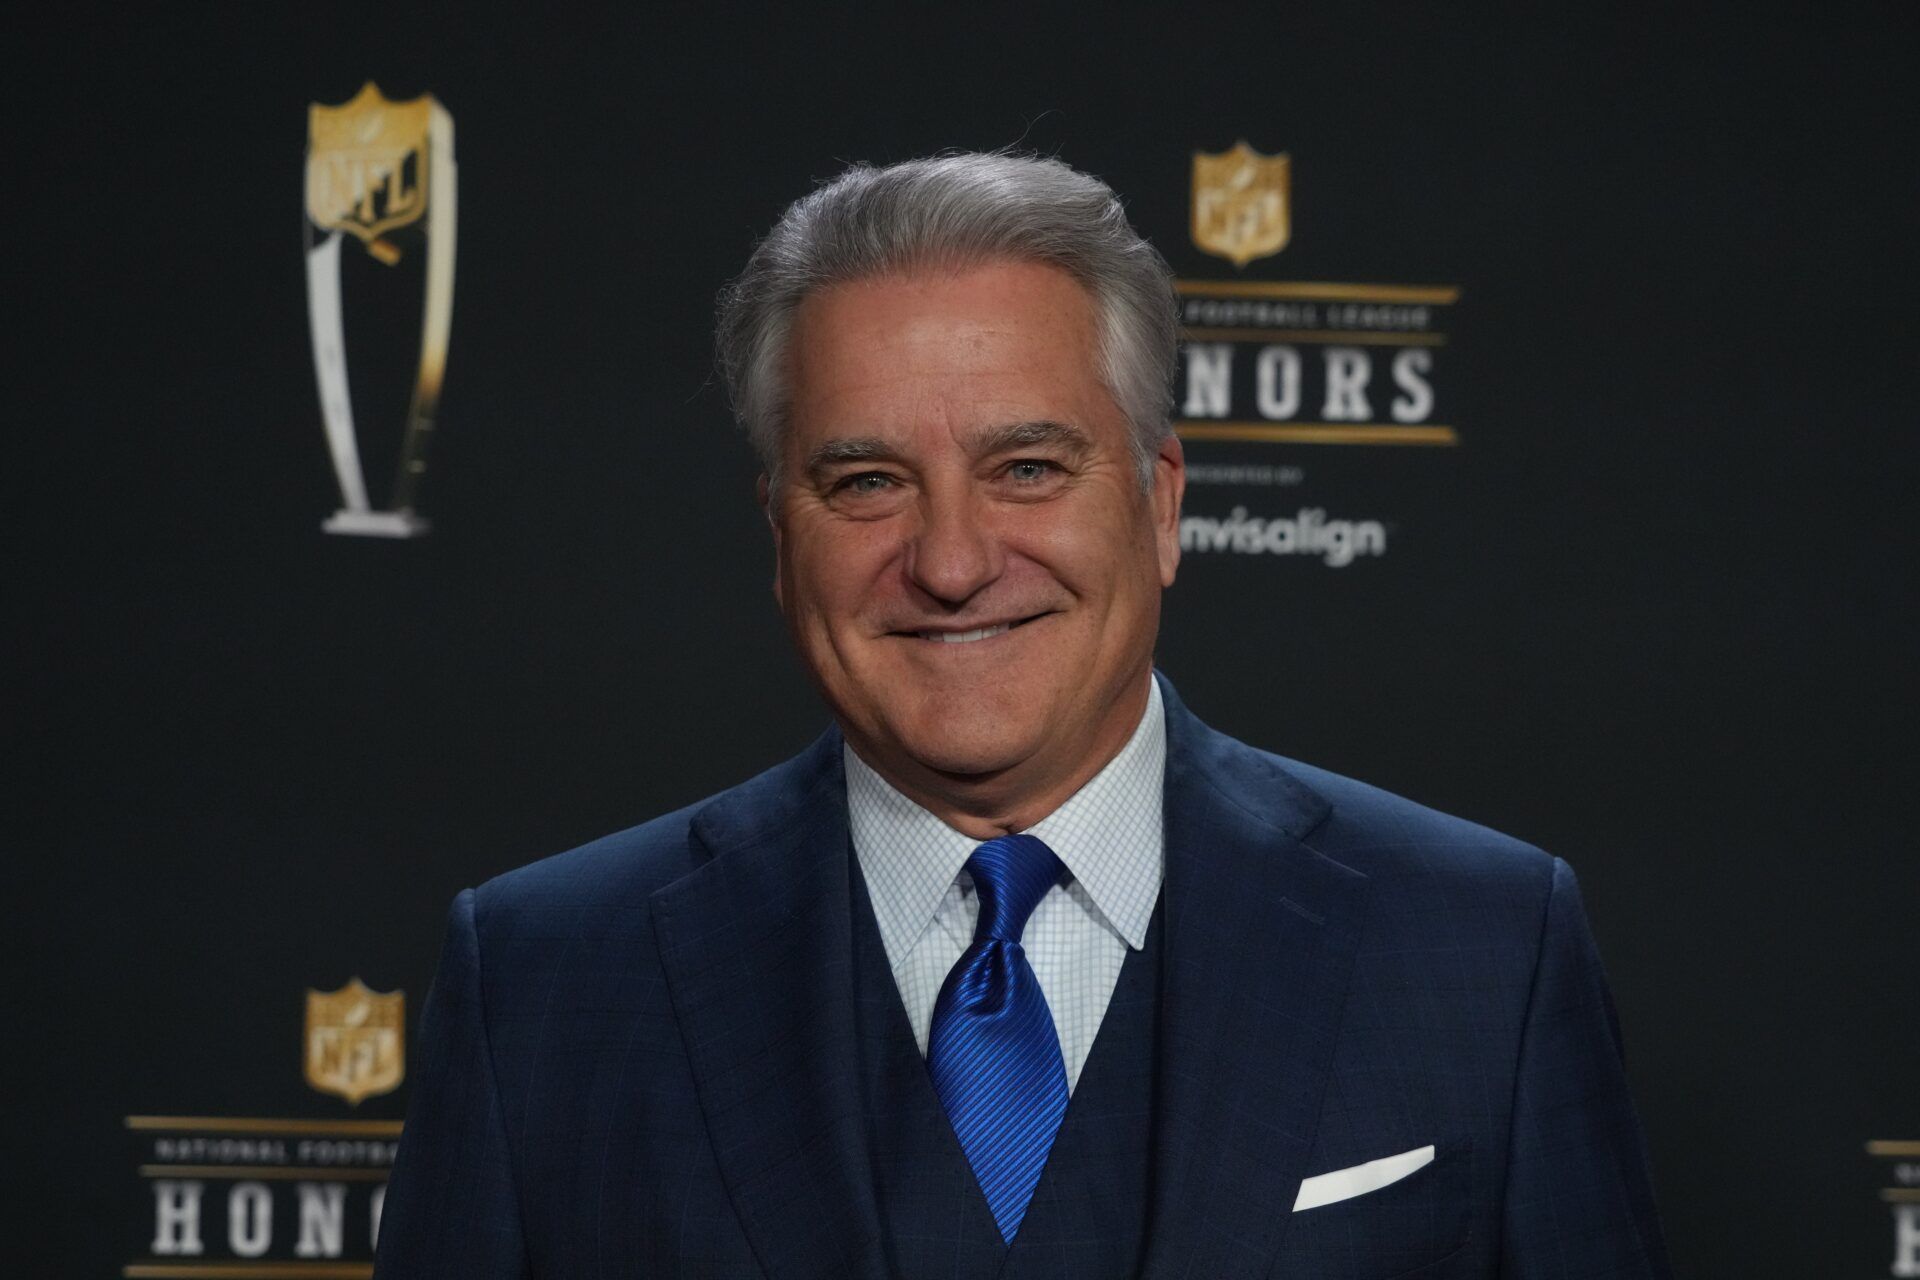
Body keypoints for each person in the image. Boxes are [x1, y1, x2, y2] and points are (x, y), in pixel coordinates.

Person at [374, 153, 1670, 1279]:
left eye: (1028, 468)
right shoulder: (542, 987)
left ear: (1161, 505)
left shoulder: (1482, 950)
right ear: (779, 537)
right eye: (868, 481)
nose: (950, 560)